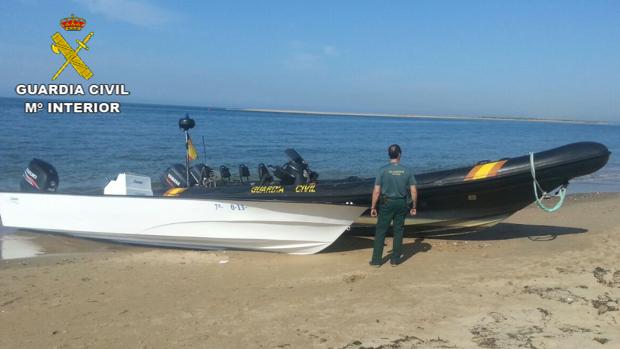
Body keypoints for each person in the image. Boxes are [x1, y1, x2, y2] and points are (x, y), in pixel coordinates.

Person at [369, 144, 417, 267]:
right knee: (398, 230)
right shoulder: (407, 170)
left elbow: (377, 191)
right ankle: (395, 260)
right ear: (400, 155)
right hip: (401, 203)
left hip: (387, 202)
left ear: (389, 155)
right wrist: (414, 206)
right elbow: (413, 191)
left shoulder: (382, 170)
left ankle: (376, 261)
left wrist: (373, 207)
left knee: (381, 230)